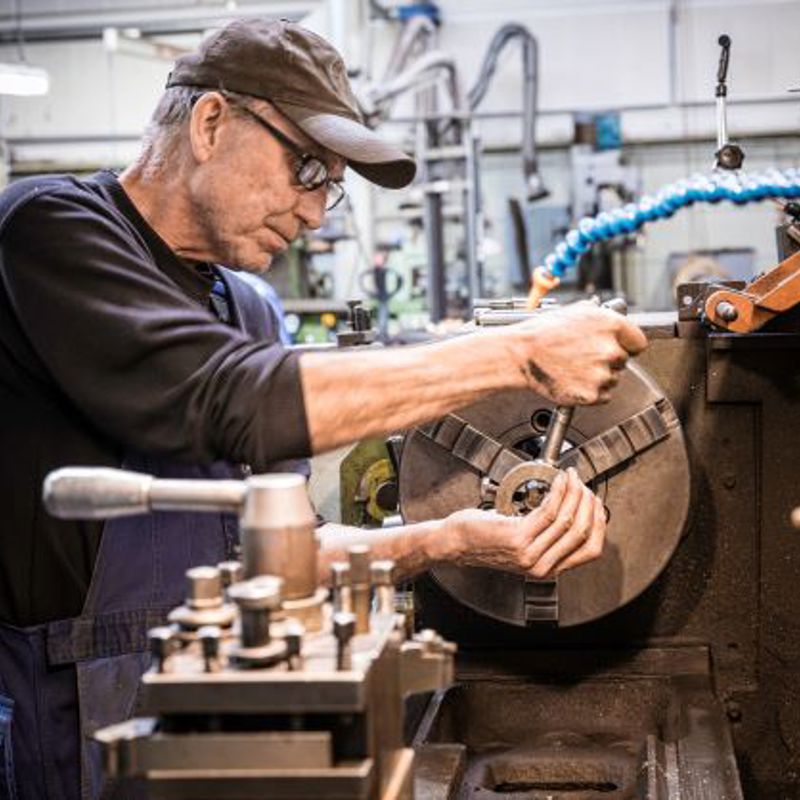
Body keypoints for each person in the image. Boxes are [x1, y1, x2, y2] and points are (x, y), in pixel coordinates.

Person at [0, 17, 647, 800]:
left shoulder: (248, 308)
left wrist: (452, 539)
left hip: (227, 711)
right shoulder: (50, 229)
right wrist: (516, 353)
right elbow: (227, 400)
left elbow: (290, 552)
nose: (317, 212)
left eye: (330, 184)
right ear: (211, 123)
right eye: (307, 167)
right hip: (71, 733)